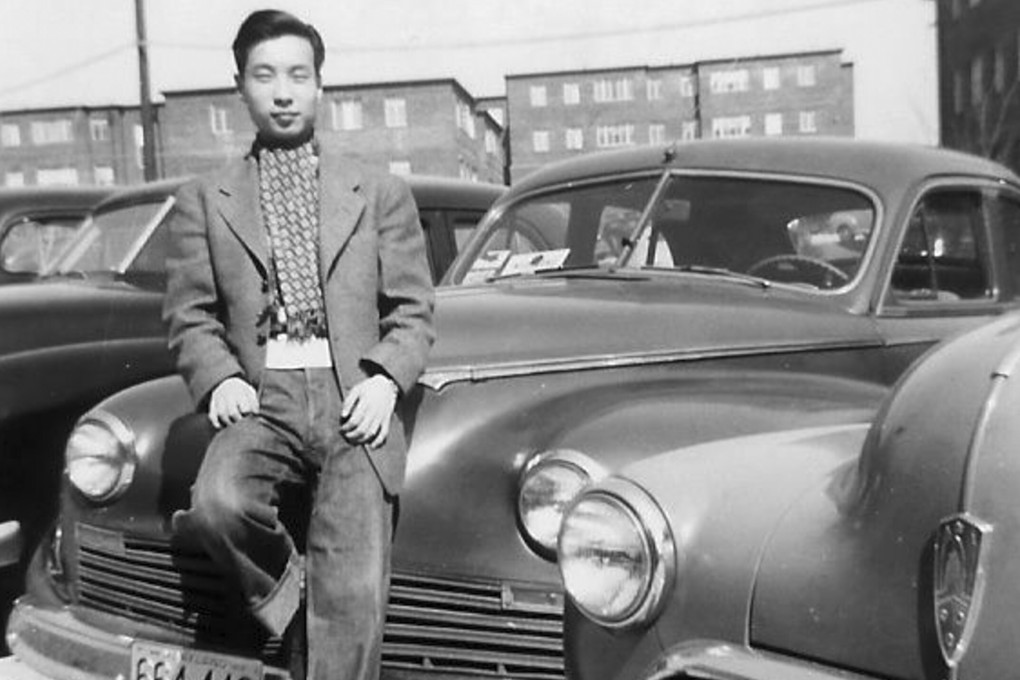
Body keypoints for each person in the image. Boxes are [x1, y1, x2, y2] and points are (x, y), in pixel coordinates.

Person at [162, 9, 435, 680]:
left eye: (297, 76)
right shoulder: (205, 198)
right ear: (241, 87)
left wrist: (384, 380)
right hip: (264, 399)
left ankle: (333, 608)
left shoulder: (379, 193)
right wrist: (219, 377)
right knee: (219, 504)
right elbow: (189, 314)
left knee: (356, 601)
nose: (282, 92)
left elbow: (414, 312)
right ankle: (294, 594)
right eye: (265, 76)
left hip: (353, 401)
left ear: (319, 87)